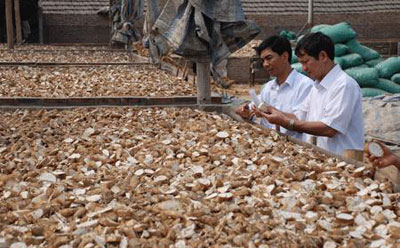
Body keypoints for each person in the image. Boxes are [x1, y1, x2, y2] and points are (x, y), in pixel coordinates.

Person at [255, 32, 364, 156]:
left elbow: (330, 128)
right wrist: (273, 111)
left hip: (344, 160)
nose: (304, 68)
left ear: (323, 56)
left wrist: (287, 123)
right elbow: (299, 117)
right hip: (323, 157)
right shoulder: (317, 87)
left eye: (306, 62)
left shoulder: (344, 85)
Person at [236, 35, 313, 140]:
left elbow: (301, 123)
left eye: (269, 58)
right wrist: (246, 111)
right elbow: (253, 108)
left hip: (294, 147)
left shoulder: (305, 86)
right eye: (263, 60)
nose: (265, 64)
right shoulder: (268, 87)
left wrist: (272, 112)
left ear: (285, 57)